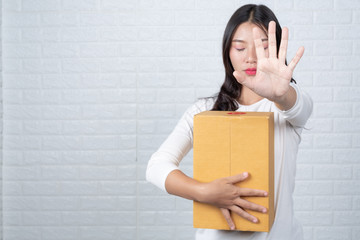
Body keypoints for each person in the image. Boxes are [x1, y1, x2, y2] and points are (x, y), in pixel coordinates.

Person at [146, 4, 313, 240]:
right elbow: (156, 167)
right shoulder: (204, 110)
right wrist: (205, 192)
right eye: (240, 47)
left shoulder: (285, 107)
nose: (251, 57)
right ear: (228, 51)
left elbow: (299, 107)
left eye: (262, 47)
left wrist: (280, 94)